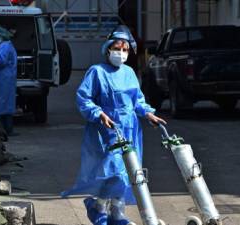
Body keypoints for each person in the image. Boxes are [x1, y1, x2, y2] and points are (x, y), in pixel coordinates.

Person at [61, 25, 166, 225]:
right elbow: (84, 97)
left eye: (125, 50)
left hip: (130, 130)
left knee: (127, 173)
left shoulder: (129, 73)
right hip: (107, 130)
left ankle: (117, 214)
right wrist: (98, 113)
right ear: (108, 49)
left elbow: (137, 101)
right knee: (113, 171)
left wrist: (149, 114)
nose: (121, 53)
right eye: (117, 48)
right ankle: (98, 207)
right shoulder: (97, 72)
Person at [0, 27, 18, 136]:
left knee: (0, 103)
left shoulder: (4, 46)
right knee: (7, 104)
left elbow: (1, 61)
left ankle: (1, 130)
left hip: (3, 78)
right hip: (8, 78)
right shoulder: (8, 45)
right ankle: (8, 129)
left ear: (2, 36)